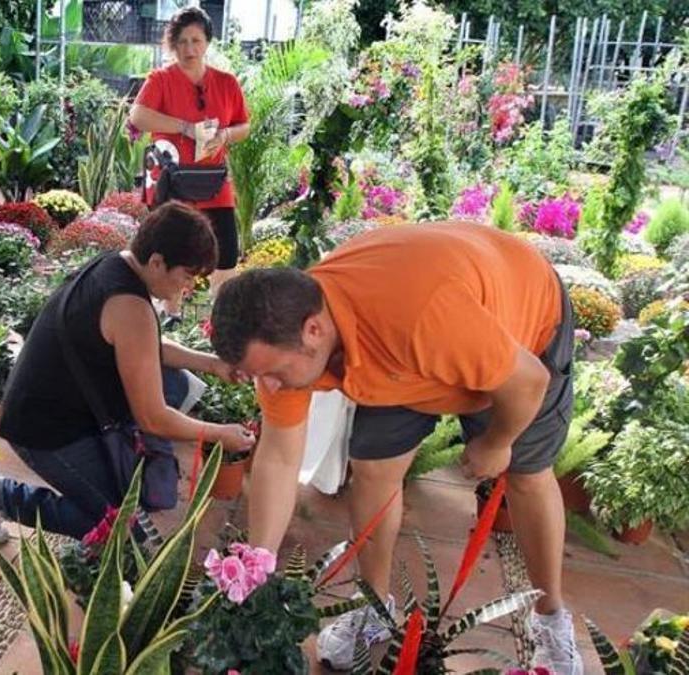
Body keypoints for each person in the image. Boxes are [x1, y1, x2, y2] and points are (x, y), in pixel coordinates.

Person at [208, 222, 581, 675]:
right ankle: (373, 607)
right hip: (405, 352)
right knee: (373, 469)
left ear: (313, 331)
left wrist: (496, 442)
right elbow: (280, 457)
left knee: (526, 475)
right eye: (256, 375)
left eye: (271, 373)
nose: (267, 386)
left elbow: (528, 381)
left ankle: (551, 622)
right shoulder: (282, 336)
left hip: (518, 326)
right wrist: (257, 568)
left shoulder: (423, 316)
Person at [0, 201, 256, 544]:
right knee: (120, 527)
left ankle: (109, 479)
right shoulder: (128, 306)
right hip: (44, 431)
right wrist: (218, 433)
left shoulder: (117, 264)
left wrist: (212, 363)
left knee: (176, 384)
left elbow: (146, 346)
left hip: (52, 403)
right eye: (187, 276)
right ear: (157, 262)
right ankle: (1, 496)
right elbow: (152, 418)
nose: (188, 287)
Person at [129, 6, 250, 317]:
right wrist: (184, 127)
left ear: (207, 42)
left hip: (213, 180)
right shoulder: (160, 79)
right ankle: (171, 316)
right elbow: (138, 116)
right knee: (171, 249)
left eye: (196, 40)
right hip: (171, 179)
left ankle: (218, 319)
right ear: (173, 44)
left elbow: (244, 126)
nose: (189, 49)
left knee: (226, 254)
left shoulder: (226, 82)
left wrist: (224, 136)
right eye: (182, 41)